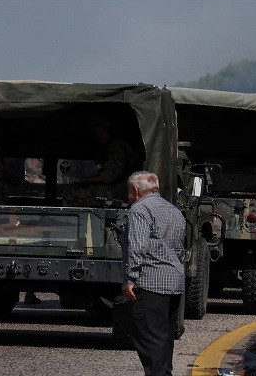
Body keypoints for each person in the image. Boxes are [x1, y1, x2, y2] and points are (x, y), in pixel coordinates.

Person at [122, 171, 185, 376]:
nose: (129, 195)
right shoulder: (174, 210)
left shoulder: (139, 209)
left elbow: (137, 247)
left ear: (136, 191)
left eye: (129, 191)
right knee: (163, 336)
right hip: (173, 281)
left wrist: (130, 278)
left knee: (148, 337)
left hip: (150, 281)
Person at [62, 117, 135, 207]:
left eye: (102, 130)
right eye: (97, 132)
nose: (99, 134)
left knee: (70, 194)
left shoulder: (118, 146)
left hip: (120, 190)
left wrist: (86, 180)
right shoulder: (110, 146)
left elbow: (109, 175)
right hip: (118, 188)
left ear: (110, 130)